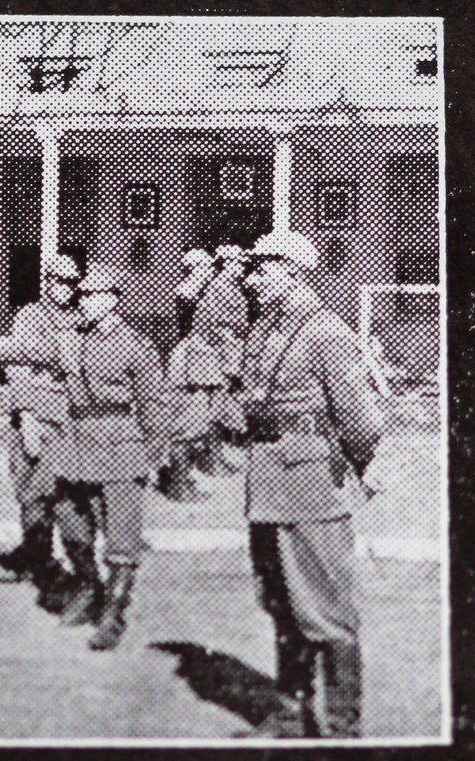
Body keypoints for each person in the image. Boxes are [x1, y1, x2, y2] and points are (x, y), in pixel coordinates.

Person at [236, 230, 383, 738]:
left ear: (292, 270)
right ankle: (290, 715)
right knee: (281, 601)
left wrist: (360, 465)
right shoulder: (264, 329)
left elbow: (360, 418)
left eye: (263, 268)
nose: (253, 279)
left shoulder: (325, 331)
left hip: (312, 487)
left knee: (327, 608)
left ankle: (343, 728)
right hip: (269, 485)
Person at [0, 250, 103, 625]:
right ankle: (41, 564)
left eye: (72, 283)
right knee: (31, 496)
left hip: (68, 420)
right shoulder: (31, 316)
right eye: (58, 280)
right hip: (35, 417)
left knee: (67, 499)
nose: (65, 289)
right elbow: (17, 369)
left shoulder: (79, 320)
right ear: (47, 281)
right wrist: (25, 416)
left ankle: (76, 577)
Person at [38, 263, 166, 650]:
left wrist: (155, 456)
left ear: (111, 301)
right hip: (76, 446)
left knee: (121, 536)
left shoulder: (136, 345)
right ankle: (89, 586)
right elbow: (26, 350)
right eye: (83, 296)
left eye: (93, 296)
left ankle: (114, 611)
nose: (85, 303)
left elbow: (152, 405)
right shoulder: (69, 339)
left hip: (120, 448)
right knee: (73, 526)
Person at [161, 245, 248, 499]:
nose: (210, 271)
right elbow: (217, 330)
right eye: (204, 267)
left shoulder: (202, 290)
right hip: (197, 361)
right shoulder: (197, 291)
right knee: (192, 422)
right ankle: (179, 485)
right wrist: (231, 361)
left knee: (204, 418)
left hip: (204, 360)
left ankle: (188, 477)